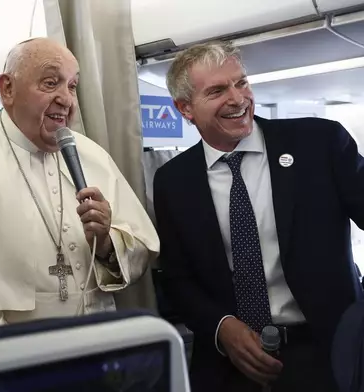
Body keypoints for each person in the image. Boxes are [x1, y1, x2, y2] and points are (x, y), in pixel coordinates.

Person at [153, 41, 364, 392]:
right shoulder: (173, 180)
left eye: (242, 82)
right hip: (229, 365)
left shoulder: (319, 143)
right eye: (218, 90)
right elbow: (177, 277)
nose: (237, 99)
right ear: (185, 108)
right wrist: (221, 327)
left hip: (328, 353)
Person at [0, 38, 159, 330]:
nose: (67, 99)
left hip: (99, 344)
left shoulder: (91, 155)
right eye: (51, 83)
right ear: (7, 88)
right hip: (15, 358)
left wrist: (106, 244)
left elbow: (142, 252)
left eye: (72, 86)